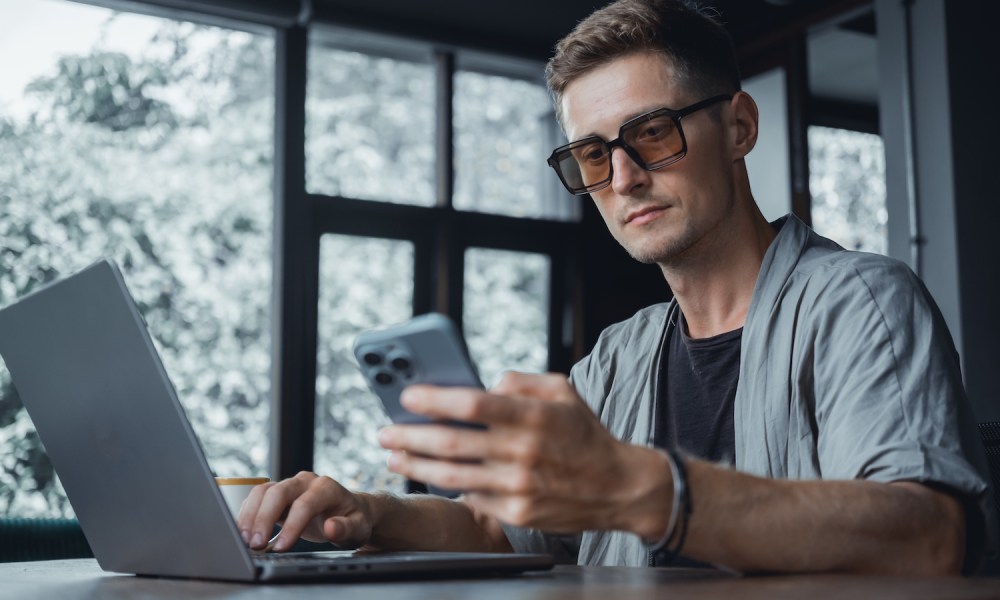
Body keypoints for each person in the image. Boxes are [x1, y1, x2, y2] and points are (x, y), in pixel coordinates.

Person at [238, 0, 994, 574]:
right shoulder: (617, 358)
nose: (623, 177)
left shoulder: (861, 302)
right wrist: (367, 513)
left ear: (738, 128)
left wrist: (645, 491)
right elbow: (500, 530)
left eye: (654, 132)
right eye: (591, 156)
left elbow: (929, 534)